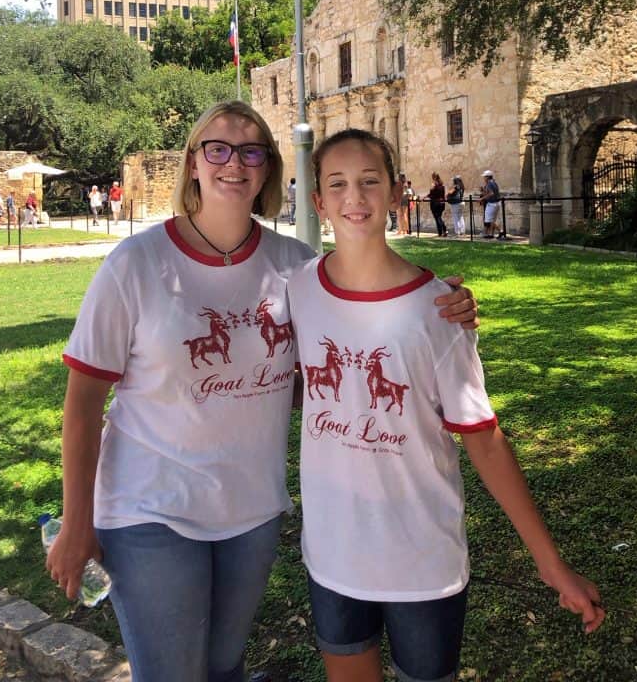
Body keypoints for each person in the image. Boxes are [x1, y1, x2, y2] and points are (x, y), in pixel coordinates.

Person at [46, 101, 479, 682]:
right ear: (193, 162)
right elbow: (82, 403)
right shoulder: (136, 264)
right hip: (150, 509)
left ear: (268, 169)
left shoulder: (293, 266)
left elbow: (339, 348)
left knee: (224, 669)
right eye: (217, 148)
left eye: (252, 150)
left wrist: (442, 303)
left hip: (251, 512)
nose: (234, 162)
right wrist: (77, 523)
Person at [290, 129, 604, 682]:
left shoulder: (437, 310)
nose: (354, 197)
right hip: (333, 554)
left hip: (421, 560)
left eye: (370, 181)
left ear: (395, 194)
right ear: (318, 201)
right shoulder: (298, 292)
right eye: (337, 184)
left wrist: (551, 564)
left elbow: (482, 437)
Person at [479, 170, 501, 239]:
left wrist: (482, 198)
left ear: (488, 177)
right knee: (492, 220)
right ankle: (491, 234)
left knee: (488, 219)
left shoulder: (489, 183)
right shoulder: (494, 183)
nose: (484, 178)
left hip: (491, 203)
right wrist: (483, 191)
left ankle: (500, 231)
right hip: (496, 203)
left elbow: (491, 193)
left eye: (485, 177)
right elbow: (490, 193)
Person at [427, 172, 446, 237]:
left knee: (437, 218)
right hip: (441, 203)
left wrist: (426, 196)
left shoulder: (434, 185)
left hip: (435, 203)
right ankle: (442, 231)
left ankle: (442, 231)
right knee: (439, 217)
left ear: (434, 177)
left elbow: (432, 194)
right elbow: (443, 195)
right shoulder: (442, 185)